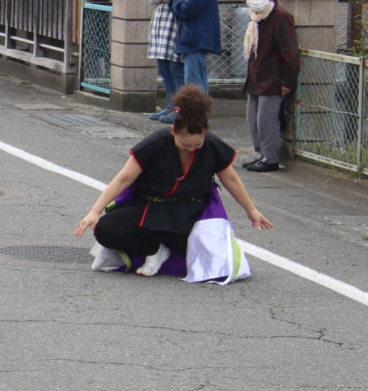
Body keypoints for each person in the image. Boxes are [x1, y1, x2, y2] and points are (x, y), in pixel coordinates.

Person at [75, 84, 271, 282]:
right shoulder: (155, 143)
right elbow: (124, 178)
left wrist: (251, 211)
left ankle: (172, 248)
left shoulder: (212, 145)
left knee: (219, 265)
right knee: (106, 229)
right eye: (185, 144)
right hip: (150, 209)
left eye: (197, 145)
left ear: (206, 133)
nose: (190, 149)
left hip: (191, 214)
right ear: (172, 131)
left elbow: (231, 180)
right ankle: (154, 250)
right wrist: (95, 211)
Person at [241, 0, 299, 173]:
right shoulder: (255, 18)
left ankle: (270, 158)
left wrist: (287, 81)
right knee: (253, 120)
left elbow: (290, 52)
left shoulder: (280, 17)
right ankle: (261, 154)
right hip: (256, 78)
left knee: (267, 120)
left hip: (273, 79)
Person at [145, 0, 193, 122]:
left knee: (176, 70)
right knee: (164, 69)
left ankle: (180, 110)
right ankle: (170, 106)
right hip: (160, 24)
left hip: (175, 25)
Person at [161, 0, 221, 93]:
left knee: (193, 82)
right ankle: (200, 113)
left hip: (195, 39)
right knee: (197, 80)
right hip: (195, 39)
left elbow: (187, 10)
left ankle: (196, 113)